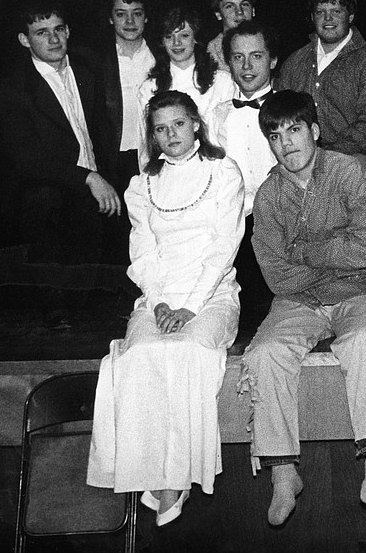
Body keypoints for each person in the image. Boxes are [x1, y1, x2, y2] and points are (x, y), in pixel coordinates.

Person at [242, 90, 366, 526]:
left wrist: (306, 251)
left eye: (294, 130)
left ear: (314, 131)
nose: (285, 143)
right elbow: (276, 275)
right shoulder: (268, 196)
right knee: (263, 353)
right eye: (274, 136)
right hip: (299, 298)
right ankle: (282, 471)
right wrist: (328, 258)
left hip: (358, 288)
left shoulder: (349, 172)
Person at [87, 90, 245, 526]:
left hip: (211, 295)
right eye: (160, 128)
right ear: (152, 136)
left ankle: (176, 477)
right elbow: (143, 254)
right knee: (139, 355)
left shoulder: (223, 171)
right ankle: (150, 470)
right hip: (157, 297)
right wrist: (158, 303)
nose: (170, 134)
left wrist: (191, 307)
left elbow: (223, 247)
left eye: (178, 123)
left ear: (195, 123)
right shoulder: (142, 184)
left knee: (188, 351)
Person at [0, 1, 120, 326]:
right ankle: (55, 304)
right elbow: (29, 162)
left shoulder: (89, 67)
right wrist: (90, 178)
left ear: (68, 31)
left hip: (98, 179)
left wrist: (109, 176)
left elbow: (104, 129)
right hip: (53, 187)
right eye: (41, 32)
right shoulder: (13, 90)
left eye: (58, 29)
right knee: (43, 199)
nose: (53, 39)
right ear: (24, 40)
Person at [207, 20, 281, 317]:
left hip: (279, 221)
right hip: (234, 222)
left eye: (257, 56)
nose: (247, 65)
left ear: (273, 59)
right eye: (238, 57)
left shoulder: (290, 110)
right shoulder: (216, 116)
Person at [277, 0, 366, 158]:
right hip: (299, 156)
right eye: (321, 12)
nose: (328, 19)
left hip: (355, 158)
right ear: (312, 17)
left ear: (350, 16)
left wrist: (328, 155)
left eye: (336, 11)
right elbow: (280, 115)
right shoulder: (295, 62)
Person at [138, 7, 235, 164]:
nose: (176, 43)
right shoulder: (149, 88)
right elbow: (146, 144)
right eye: (169, 37)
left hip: (217, 168)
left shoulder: (222, 82)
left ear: (195, 38)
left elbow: (231, 137)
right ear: (162, 41)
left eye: (184, 35)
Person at [102, 0, 156, 264]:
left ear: (146, 17)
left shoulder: (161, 54)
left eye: (137, 13)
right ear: (111, 19)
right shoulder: (97, 60)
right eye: (121, 14)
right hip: (116, 157)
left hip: (154, 154)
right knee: (119, 233)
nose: (130, 21)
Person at [205, 0, 256, 71]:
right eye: (230, 6)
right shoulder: (212, 52)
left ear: (253, 11)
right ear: (218, 14)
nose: (239, 11)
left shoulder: (264, 44)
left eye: (244, 4)